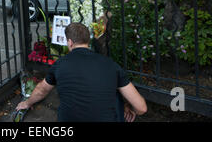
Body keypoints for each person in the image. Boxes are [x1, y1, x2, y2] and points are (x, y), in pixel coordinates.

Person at [16, 22, 147, 122]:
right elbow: (141, 108)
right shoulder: (110, 65)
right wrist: (130, 108)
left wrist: (26, 103)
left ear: (70, 42)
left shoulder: (60, 64)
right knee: (115, 94)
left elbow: (41, 90)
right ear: (87, 41)